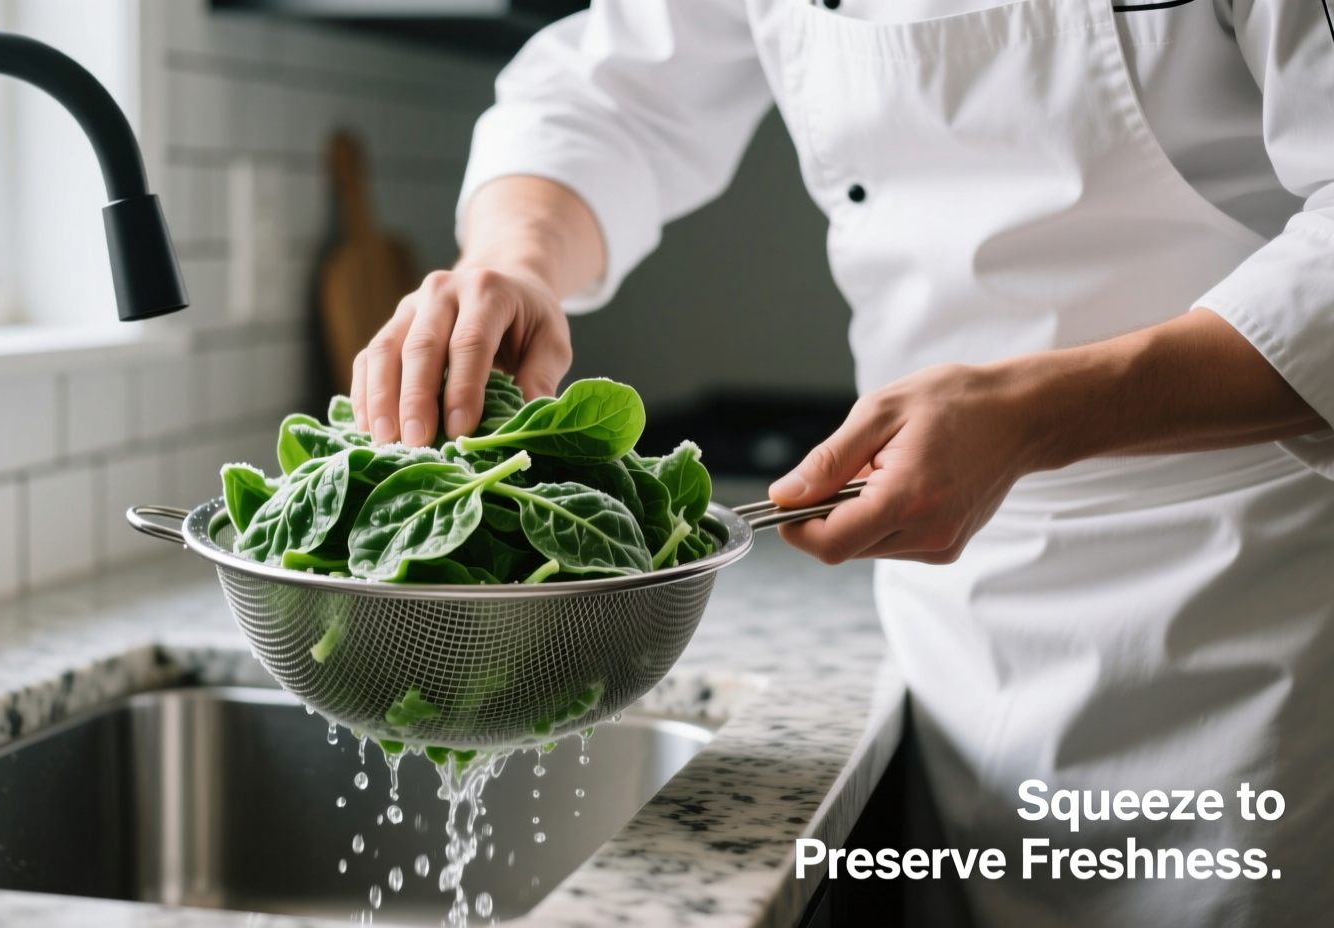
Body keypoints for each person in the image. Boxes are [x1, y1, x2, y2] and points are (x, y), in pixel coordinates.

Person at [350, 2, 1334, 925]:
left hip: (1253, 601)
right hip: (946, 611)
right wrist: (516, 258)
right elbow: (612, 92)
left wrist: (1034, 416)